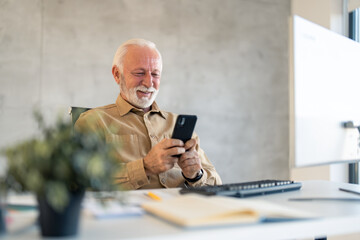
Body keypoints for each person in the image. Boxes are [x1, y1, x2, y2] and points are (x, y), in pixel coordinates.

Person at [75, 38, 221, 190]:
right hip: (130, 212)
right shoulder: (94, 121)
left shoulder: (177, 123)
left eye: (155, 74)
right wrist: (145, 167)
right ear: (117, 75)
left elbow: (218, 185)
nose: (149, 83)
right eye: (139, 73)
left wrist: (196, 175)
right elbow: (82, 181)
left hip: (180, 209)